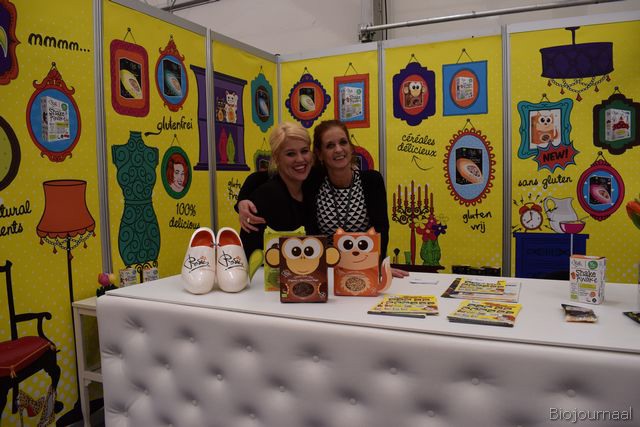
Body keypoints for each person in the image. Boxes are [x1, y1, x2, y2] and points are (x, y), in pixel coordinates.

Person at [237, 119, 408, 278]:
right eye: (330, 145)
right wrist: (242, 200)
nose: (338, 150)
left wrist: (377, 265)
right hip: (320, 274)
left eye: (343, 142)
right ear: (319, 154)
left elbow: (381, 229)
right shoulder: (315, 180)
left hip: (362, 270)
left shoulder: (370, 181)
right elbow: (263, 177)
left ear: (351, 147)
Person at [239, 121, 314, 258]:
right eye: (290, 154)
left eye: (304, 151)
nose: (300, 159)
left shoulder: (312, 184)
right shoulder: (267, 196)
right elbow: (251, 253)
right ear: (276, 158)